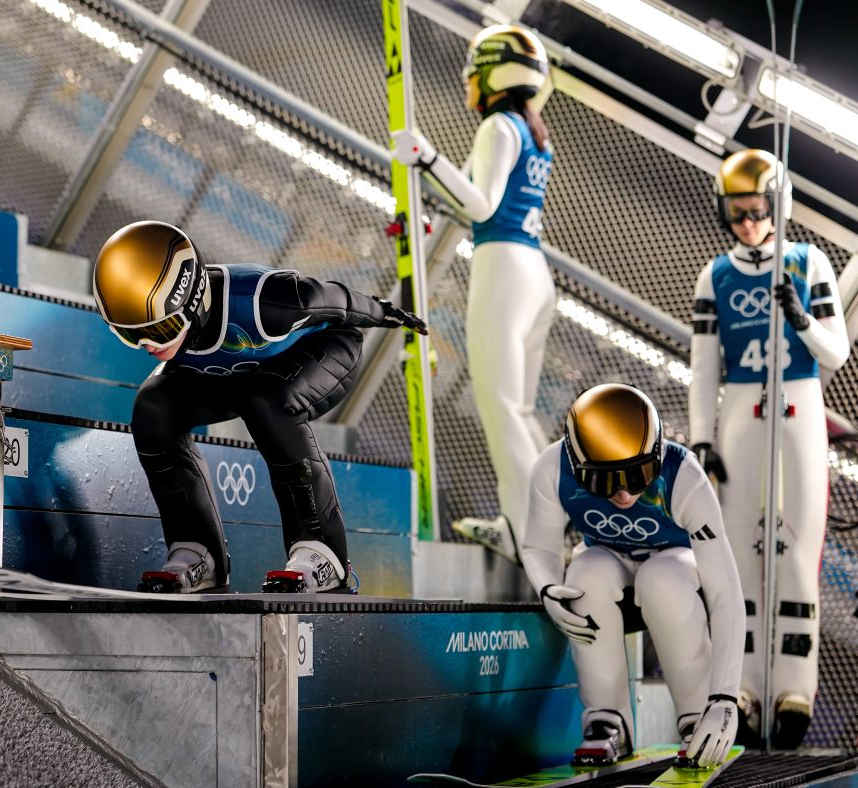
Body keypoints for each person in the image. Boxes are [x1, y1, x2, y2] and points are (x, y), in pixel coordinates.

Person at [92, 220, 428, 593]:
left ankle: (323, 554)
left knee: (269, 401)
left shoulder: (266, 302)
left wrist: (387, 312)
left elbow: (339, 301)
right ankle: (198, 553)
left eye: (159, 330)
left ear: (192, 301)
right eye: (131, 334)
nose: (149, 345)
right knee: (152, 408)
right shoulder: (176, 337)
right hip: (246, 371)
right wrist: (162, 332)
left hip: (326, 349)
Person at [688, 149, 850, 748]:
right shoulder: (715, 275)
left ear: (779, 207)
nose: (749, 223)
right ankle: (743, 687)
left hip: (800, 408)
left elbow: (836, 352)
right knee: (737, 555)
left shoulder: (808, 263)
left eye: (759, 210)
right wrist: (702, 436)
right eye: (738, 211)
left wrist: (801, 318)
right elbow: (704, 366)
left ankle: (794, 690)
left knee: (799, 551)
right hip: (739, 412)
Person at [392, 24, 554, 563]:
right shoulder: (532, 130)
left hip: (503, 266)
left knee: (502, 408)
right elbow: (471, 196)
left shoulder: (498, 126)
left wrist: (424, 156)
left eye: (472, 73)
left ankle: (527, 537)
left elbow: (482, 205)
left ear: (493, 75)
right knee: (520, 411)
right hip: (534, 270)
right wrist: (431, 173)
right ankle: (545, 524)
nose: (466, 83)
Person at [522, 384, 745, 767]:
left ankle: (695, 716)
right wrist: (547, 587)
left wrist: (723, 699)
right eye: (605, 481)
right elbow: (538, 547)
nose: (624, 495)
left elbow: (725, 592)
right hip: (606, 568)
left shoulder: (684, 476)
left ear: (657, 455)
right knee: (585, 575)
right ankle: (606, 718)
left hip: (675, 573)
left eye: (638, 474)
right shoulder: (552, 468)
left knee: (663, 580)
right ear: (577, 464)